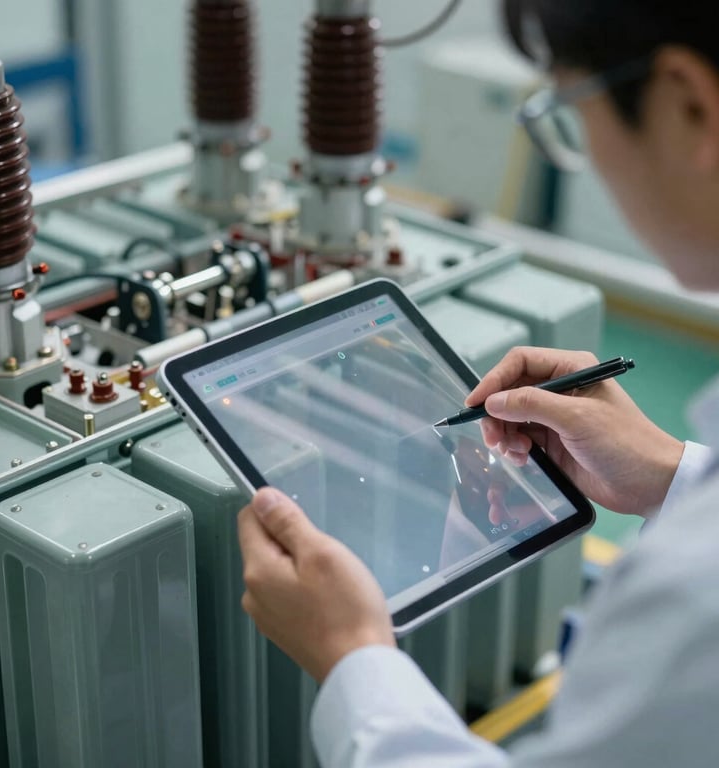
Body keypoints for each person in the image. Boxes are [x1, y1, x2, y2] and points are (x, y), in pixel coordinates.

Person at [237, 1, 719, 764]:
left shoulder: (693, 605)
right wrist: (675, 477)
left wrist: (353, 654)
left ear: (690, 104)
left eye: (571, 108)